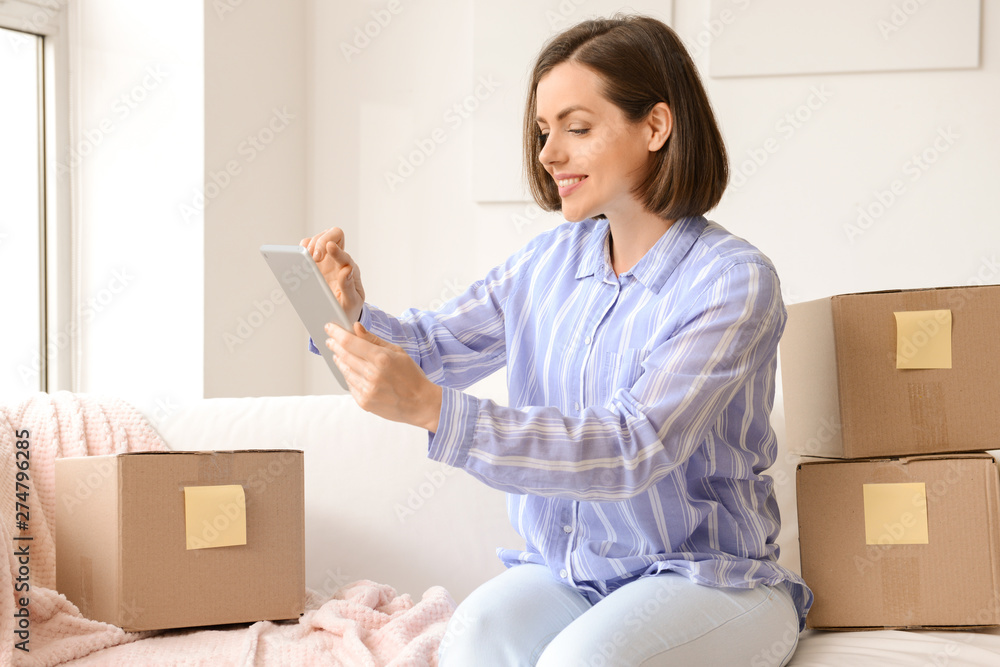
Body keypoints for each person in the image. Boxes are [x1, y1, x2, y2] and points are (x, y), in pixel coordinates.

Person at [302, 13, 812, 666]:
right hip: (575, 574)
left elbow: (636, 444)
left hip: (708, 579)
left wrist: (436, 409)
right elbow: (434, 349)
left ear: (656, 126)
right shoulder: (547, 263)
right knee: (472, 637)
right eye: (544, 132)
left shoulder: (732, 280)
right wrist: (343, 314)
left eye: (577, 127)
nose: (548, 154)